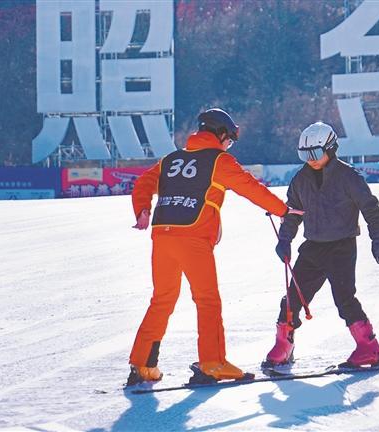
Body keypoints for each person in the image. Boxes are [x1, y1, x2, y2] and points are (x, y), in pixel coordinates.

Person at [128, 108, 302, 385]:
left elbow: (143, 183)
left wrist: (142, 210)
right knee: (207, 301)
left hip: (162, 237)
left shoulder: (170, 160)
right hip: (193, 238)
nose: (228, 145)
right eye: (229, 140)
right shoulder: (219, 160)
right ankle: (213, 363)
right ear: (220, 134)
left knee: (162, 300)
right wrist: (283, 210)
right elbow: (249, 186)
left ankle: (142, 364)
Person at [264, 121, 379, 368]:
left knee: (345, 299)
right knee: (292, 299)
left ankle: (369, 348)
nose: (311, 159)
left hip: (341, 248)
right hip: (313, 248)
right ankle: (284, 345)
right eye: (305, 154)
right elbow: (293, 213)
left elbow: (371, 208)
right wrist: (285, 239)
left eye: (315, 153)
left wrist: (378, 238)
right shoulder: (300, 179)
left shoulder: (348, 177)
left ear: (331, 148)